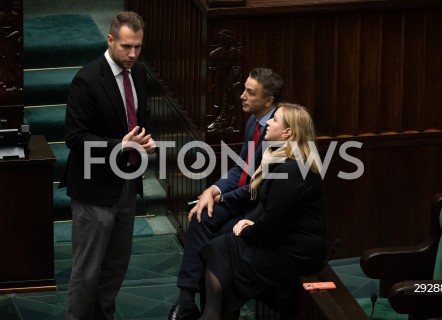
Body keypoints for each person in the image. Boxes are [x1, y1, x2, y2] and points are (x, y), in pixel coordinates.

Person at [59, 11, 155, 320]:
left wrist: (146, 142)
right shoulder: (86, 79)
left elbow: (141, 120)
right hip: (93, 189)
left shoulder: (138, 73)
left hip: (126, 184)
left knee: (115, 267)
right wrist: (120, 145)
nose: (133, 54)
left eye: (138, 47)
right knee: (87, 273)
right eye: (127, 46)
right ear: (110, 39)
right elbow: (74, 138)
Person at [168, 68, 284, 320]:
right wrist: (213, 189)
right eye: (244, 88)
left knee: (218, 244)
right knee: (200, 215)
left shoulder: (279, 132)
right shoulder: (254, 121)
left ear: (269, 101)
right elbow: (241, 168)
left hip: (257, 209)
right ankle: (186, 300)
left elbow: (259, 187)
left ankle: (219, 313)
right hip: (239, 199)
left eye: (250, 93)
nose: (241, 95)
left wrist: (222, 198)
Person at [198, 103, 327, 320]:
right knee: (220, 247)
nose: (268, 122)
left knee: (223, 249)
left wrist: (248, 229)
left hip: (297, 251)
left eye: (274, 119)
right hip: (283, 239)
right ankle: (214, 315)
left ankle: (211, 316)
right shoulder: (279, 157)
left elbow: (272, 220)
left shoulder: (292, 168)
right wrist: (250, 222)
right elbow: (264, 204)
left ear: (288, 132)